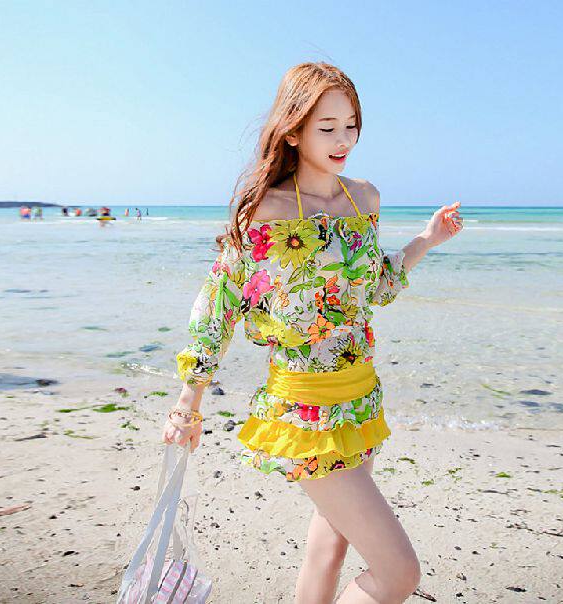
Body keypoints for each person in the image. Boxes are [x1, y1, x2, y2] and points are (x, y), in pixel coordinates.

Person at [162, 62, 463, 603]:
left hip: (361, 402)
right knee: (399, 574)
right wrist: (189, 402)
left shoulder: (364, 199)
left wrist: (426, 240)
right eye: (327, 128)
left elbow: (370, 288)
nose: (343, 139)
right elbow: (219, 304)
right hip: (304, 411)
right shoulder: (265, 212)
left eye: (351, 125)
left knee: (329, 548)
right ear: (294, 132)